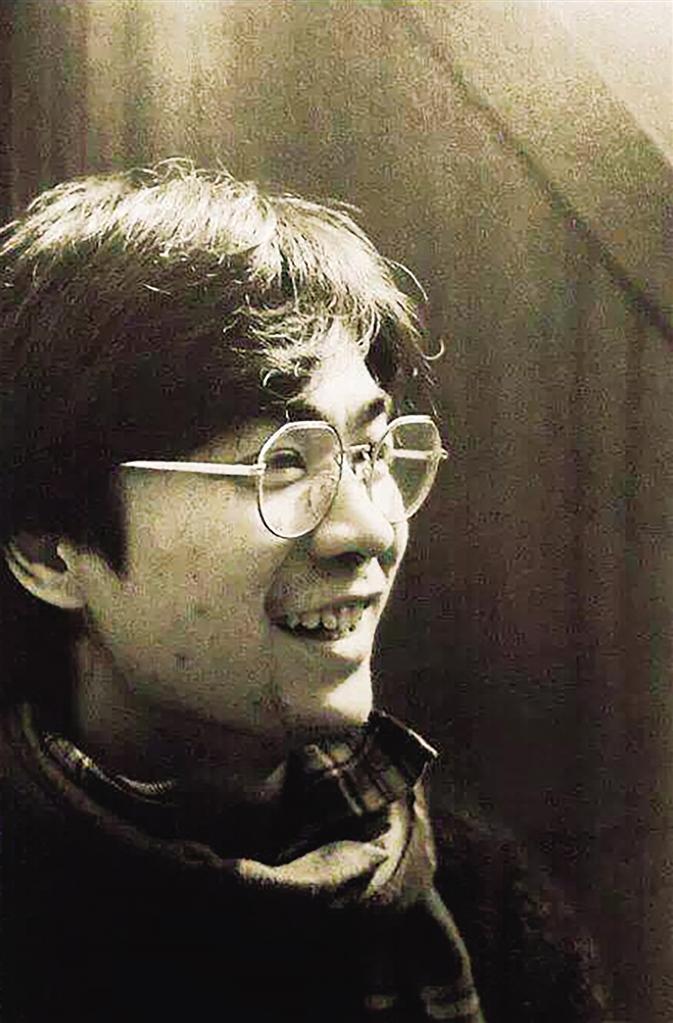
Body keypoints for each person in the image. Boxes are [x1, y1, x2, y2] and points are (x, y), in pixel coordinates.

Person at [0, 162, 605, 1022]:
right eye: (280, 463)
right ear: (49, 550)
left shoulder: (482, 907)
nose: (370, 528)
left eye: (368, 453)